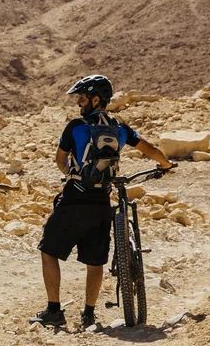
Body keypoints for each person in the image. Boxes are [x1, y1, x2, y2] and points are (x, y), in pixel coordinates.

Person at [29, 75, 173, 331]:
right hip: (101, 202)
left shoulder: (75, 126)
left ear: (95, 99)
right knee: (95, 260)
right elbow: (149, 148)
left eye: (82, 98)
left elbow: (60, 159)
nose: (78, 104)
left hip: (74, 197)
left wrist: (70, 174)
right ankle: (88, 314)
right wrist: (165, 165)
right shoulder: (120, 128)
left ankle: (53, 310)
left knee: (49, 251)